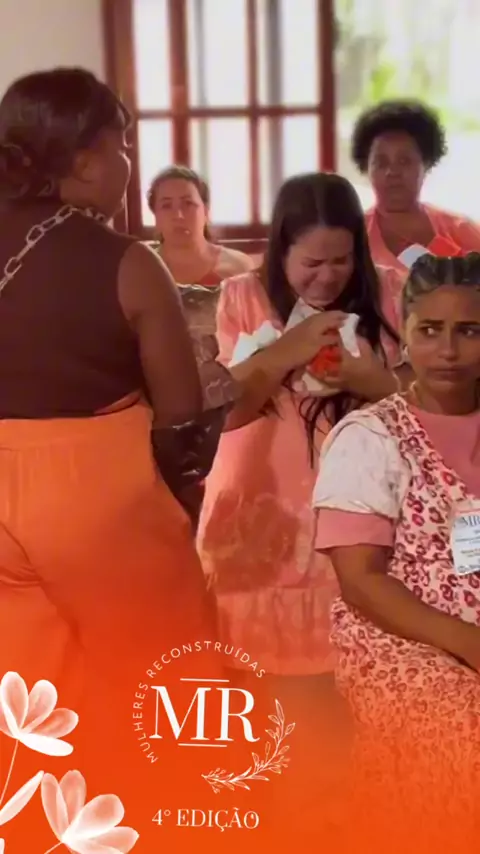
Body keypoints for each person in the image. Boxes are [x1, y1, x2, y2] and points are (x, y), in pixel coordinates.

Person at [0, 68, 225, 852]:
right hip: (94, 490)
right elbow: (182, 416)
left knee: (31, 694)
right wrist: (181, 504)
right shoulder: (126, 261)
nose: (129, 163)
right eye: (122, 144)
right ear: (87, 158)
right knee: (162, 676)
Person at [197, 172, 407, 826]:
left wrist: (372, 379)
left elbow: (436, 404)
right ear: (279, 250)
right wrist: (285, 351)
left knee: (359, 704)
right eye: (310, 263)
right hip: (263, 515)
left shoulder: (393, 291)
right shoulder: (241, 297)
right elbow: (227, 412)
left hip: (361, 519)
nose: (327, 276)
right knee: (280, 711)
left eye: (341, 260)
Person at [313, 252, 480, 850]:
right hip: (405, 635)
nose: (448, 350)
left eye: (469, 331)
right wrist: (468, 643)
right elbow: (361, 582)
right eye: (430, 330)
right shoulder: (371, 438)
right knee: (462, 728)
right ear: (404, 334)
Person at [352, 99, 480, 273]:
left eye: (404, 161)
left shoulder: (461, 230)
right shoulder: (351, 239)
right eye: (381, 163)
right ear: (366, 168)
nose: (392, 172)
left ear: (426, 164)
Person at [148, 164, 254, 285]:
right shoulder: (142, 267)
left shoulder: (238, 267)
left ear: (206, 211)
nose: (178, 215)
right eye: (166, 206)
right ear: (155, 214)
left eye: (188, 203)